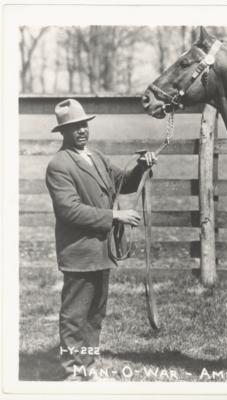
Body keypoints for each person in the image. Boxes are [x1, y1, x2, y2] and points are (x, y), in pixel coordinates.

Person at [45, 99, 157, 381]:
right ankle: (71, 370)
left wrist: (142, 166)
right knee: (74, 315)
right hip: (79, 252)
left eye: (84, 124)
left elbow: (125, 182)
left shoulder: (97, 157)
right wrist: (115, 215)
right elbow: (70, 210)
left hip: (102, 251)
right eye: (74, 127)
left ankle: (89, 364)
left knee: (96, 312)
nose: (81, 130)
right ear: (63, 132)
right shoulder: (59, 165)